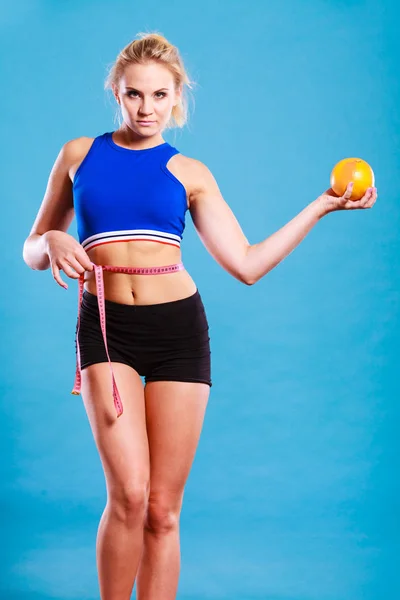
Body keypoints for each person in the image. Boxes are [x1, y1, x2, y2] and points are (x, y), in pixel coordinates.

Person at [22, 31, 377, 600]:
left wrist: (321, 206)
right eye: (134, 95)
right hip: (106, 332)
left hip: (178, 332)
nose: (146, 108)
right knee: (129, 496)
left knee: (162, 510)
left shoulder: (192, 173)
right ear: (116, 92)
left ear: (177, 97)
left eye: (160, 96)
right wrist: (54, 243)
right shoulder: (78, 156)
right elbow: (32, 248)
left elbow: (247, 264)